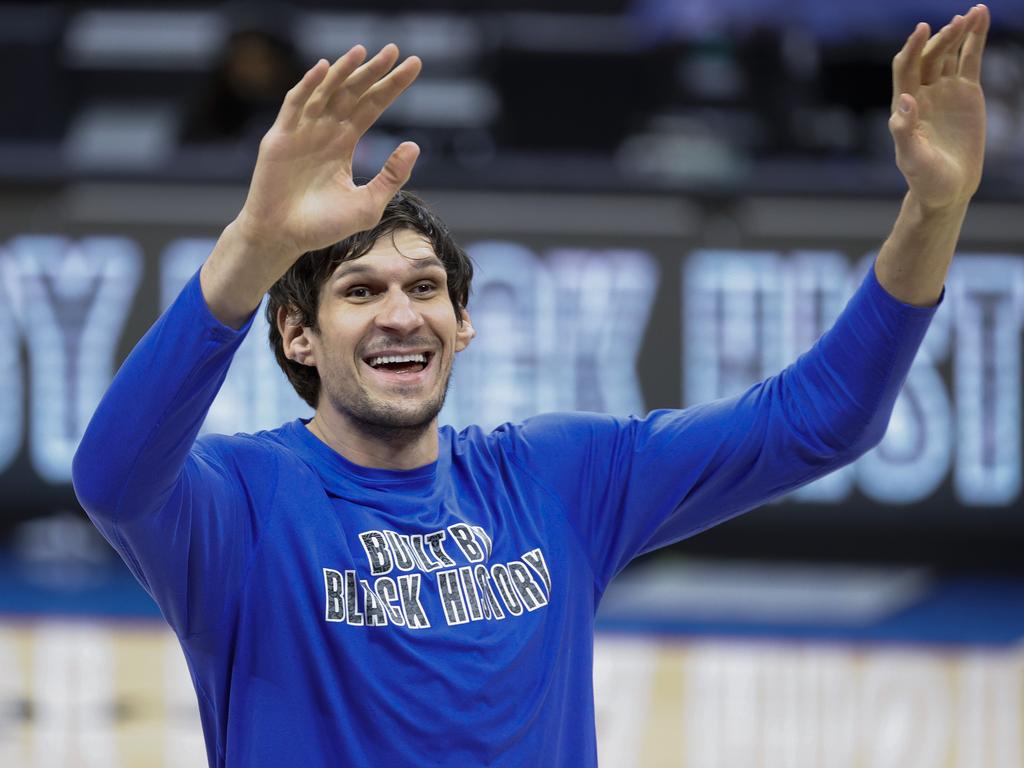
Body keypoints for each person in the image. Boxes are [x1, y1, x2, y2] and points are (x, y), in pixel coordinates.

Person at [72, 6, 990, 767]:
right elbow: (112, 475)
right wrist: (255, 246)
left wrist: (935, 209)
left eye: (426, 288)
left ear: (462, 326)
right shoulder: (241, 501)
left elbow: (823, 420)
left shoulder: (555, 477)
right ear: (298, 334)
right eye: (361, 292)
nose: (402, 314)